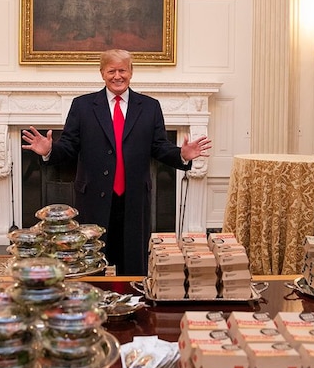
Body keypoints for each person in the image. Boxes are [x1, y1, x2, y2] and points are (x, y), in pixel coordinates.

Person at [22, 49, 212, 275]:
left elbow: (159, 147)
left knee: (133, 261)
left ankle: (132, 301)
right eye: (111, 71)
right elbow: (70, 146)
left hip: (134, 197)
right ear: (102, 73)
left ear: (131, 72)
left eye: (123, 70)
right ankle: (95, 303)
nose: (117, 76)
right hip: (93, 197)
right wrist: (50, 150)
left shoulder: (150, 107)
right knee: (92, 260)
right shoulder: (82, 106)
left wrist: (181, 154)